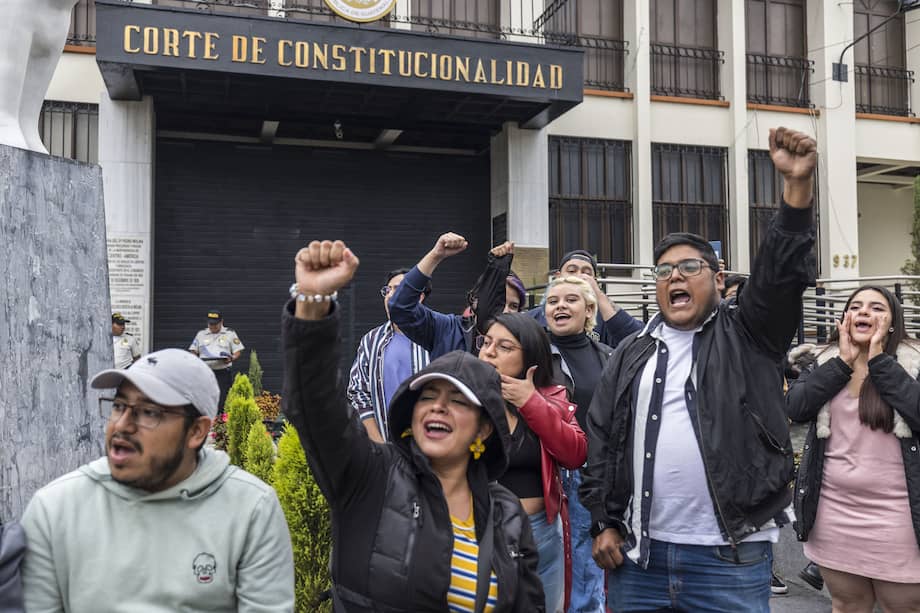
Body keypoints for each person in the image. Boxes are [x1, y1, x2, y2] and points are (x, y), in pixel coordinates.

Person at [581, 126, 817, 612]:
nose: (675, 276)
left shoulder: (750, 334)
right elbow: (602, 440)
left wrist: (796, 191)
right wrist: (603, 521)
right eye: (664, 271)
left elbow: (780, 275)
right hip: (639, 559)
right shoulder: (631, 351)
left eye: (689, 267)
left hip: (728, 559)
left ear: (719, 278)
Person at [283, 239, 544, 612]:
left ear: (484, 429)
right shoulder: (372, 476)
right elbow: (314, 403)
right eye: (427, 396)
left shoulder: (507, 514)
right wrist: (313, 301)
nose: (438, 407)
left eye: (457, 401)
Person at [19, 348, 295, 612]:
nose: (122, 425)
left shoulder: (251, 509)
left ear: (197, 431)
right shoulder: (55, 509)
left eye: (149, 412)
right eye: (118, 406)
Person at [787, 285, 920, 611]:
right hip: (835, 512)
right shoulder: (823, 360)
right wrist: (842, 363)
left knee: (902, 605)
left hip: (900, 516)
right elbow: (796, 408)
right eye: (856, 306)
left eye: (876, 308)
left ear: (893, 323)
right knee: (847, 604)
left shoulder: (913, 362)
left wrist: (880, 361)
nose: (864, 312)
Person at [478, 312, 587, 612]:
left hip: (540, 532)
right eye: (486, 342)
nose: (489, 352)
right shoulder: (464, 396)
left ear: (530, 358)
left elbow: (575, 454)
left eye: (504, 347)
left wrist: (531, 402)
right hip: (481, 529)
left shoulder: (551, 397)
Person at [542, 274, 613, 613]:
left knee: (588, 570)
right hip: (549, 474)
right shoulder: (534, 354)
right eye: (553, 301)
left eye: (570, 299)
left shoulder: (609, 356)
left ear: (589, 310)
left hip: (595, 474)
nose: (560, 306)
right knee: (550, 569)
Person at [388, 236, 527, 359]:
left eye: (513, 306)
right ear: (474, 300)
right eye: (498, 303)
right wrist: (435, 256)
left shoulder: (524, 344)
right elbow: (400, 308)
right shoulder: (447, 330)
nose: (505, 311)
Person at [347, 267, 431, 442]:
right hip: (385, 444)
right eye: (388, 290)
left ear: (419, 297)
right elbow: (358, 392)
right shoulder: (371, 341)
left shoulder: (438, 336)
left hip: (430, 445)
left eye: (399, 289)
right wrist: (379, 442)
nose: (391, 295)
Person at [529, 250, 641, 350]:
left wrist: (598, 294)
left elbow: (638, 342)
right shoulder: (533, 319)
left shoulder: (606, 319)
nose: (579, 276)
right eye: (571, 271)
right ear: (558, 276)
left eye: (587, 273)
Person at [188, 309, 244, 414]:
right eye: (210, 324)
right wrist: (196, 360)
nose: (212, 326)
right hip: (205, 373)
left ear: (221, 321)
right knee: (204, 399)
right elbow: (193, 350)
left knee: (222, 400)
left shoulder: (230, 333)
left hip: (222, 373)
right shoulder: (201, 334)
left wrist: (232, 358)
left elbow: (238, 351)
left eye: (215, 324)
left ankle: (220, 421)